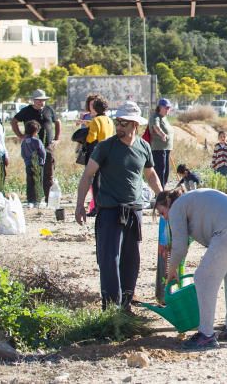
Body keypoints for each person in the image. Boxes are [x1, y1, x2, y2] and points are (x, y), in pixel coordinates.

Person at [74, 101, 163, 310]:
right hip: (109, 210)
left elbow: (150, 175)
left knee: (131, 260)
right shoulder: (106, 146)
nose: (119, 126)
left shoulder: (144, 147)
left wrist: (162, 197)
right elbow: (88, 175)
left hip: (134, 210)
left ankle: (126, 304)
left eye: (124, 123)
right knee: (109, 259)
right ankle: (111, 307)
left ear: (135, 125)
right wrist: (80, 205)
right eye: (118, 122)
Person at [156, 188, 227, 350]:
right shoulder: (194, 198)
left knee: (203, 278)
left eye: (162, 212)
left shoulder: (177, 207)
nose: (164, 218)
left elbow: (179, 247)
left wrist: (171, 271)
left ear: (168, 202)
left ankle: (206, 335)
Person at [12, 89, 60, 204]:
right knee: (32, 174)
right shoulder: (26, 111)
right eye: (38, 100)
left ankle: (48, 200)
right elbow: (14, 121)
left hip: (48, 146)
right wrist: (20, 135)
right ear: (33, 100)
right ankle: (32, 200)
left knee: (48, 174)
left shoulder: (49, 110)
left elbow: (57, 122)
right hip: (31, 148)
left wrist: (57, 139)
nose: (41, 102)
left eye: (43, 100)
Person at [148, 99, 174, 187]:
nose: (168, 109)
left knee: (166, 171)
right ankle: (159, 193)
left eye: (169, 108)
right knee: (160, 171)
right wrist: (163, 135)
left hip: (166, 149)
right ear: (160, 107)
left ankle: (163, 190)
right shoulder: (155, 116)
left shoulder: (164, 118)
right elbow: (156, 127)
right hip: (159, 149)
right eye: (166, 107)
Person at [21, 121, 47, 206]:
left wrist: (26, 161)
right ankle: (38, 200)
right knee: (38, 181)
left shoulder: (24, 141)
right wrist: (42, 161)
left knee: (30, 181)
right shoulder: (37, 141)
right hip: (38, 164)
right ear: (36, 131)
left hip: (28, 164)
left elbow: (23, 153)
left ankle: (30, 200)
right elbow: (42, 152)